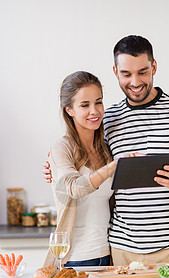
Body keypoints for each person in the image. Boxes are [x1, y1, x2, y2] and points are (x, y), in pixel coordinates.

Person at [43, 35, 169, 266]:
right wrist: (54, 168)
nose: (135, 82)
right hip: (121, 251)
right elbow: (86, 163)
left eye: (143, 72)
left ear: (154, 66)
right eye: (126, 74)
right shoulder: (108, 119)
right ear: (115, 72)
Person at [44, 71, 119, 267]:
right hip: (76, 258)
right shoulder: (62, 147)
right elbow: (75, 188)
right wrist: (110, 170)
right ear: (69, 110)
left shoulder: (105, 148)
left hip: (108, 255)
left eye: (98, 102)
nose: (94, 111)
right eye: (85, 105)